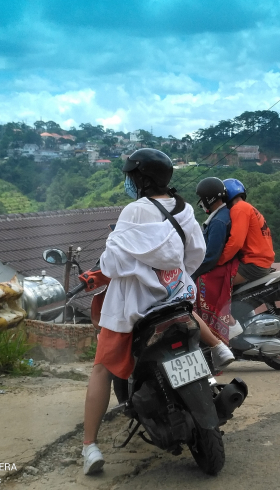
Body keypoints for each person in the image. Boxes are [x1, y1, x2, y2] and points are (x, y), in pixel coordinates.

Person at [81, 149, 233, 476]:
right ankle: (219, 349)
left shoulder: (134, 212)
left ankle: (89, 447)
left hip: (131, 308)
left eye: (130, 177)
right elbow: (195, 255)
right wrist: (170, 278)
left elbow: (112, 263)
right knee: (189, 316)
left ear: (141, 180)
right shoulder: (185, 209)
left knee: (101, 370)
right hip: (174, 298)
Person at [191, 177, 240, 343]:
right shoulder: (222, 215)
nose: (201, 203)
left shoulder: (218, 221)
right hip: (227, 262)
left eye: (202, 198)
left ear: (208, 198)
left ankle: (219, 329)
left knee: (198, 285)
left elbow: (211, 256)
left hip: (222, 266)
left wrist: (193, 272)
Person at [218, 178, 275, 286]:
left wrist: (219, 261)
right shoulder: (249, 208)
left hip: (253, 265)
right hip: (263, 263)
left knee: (213, 283)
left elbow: (236, 243)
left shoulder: (238, 209)